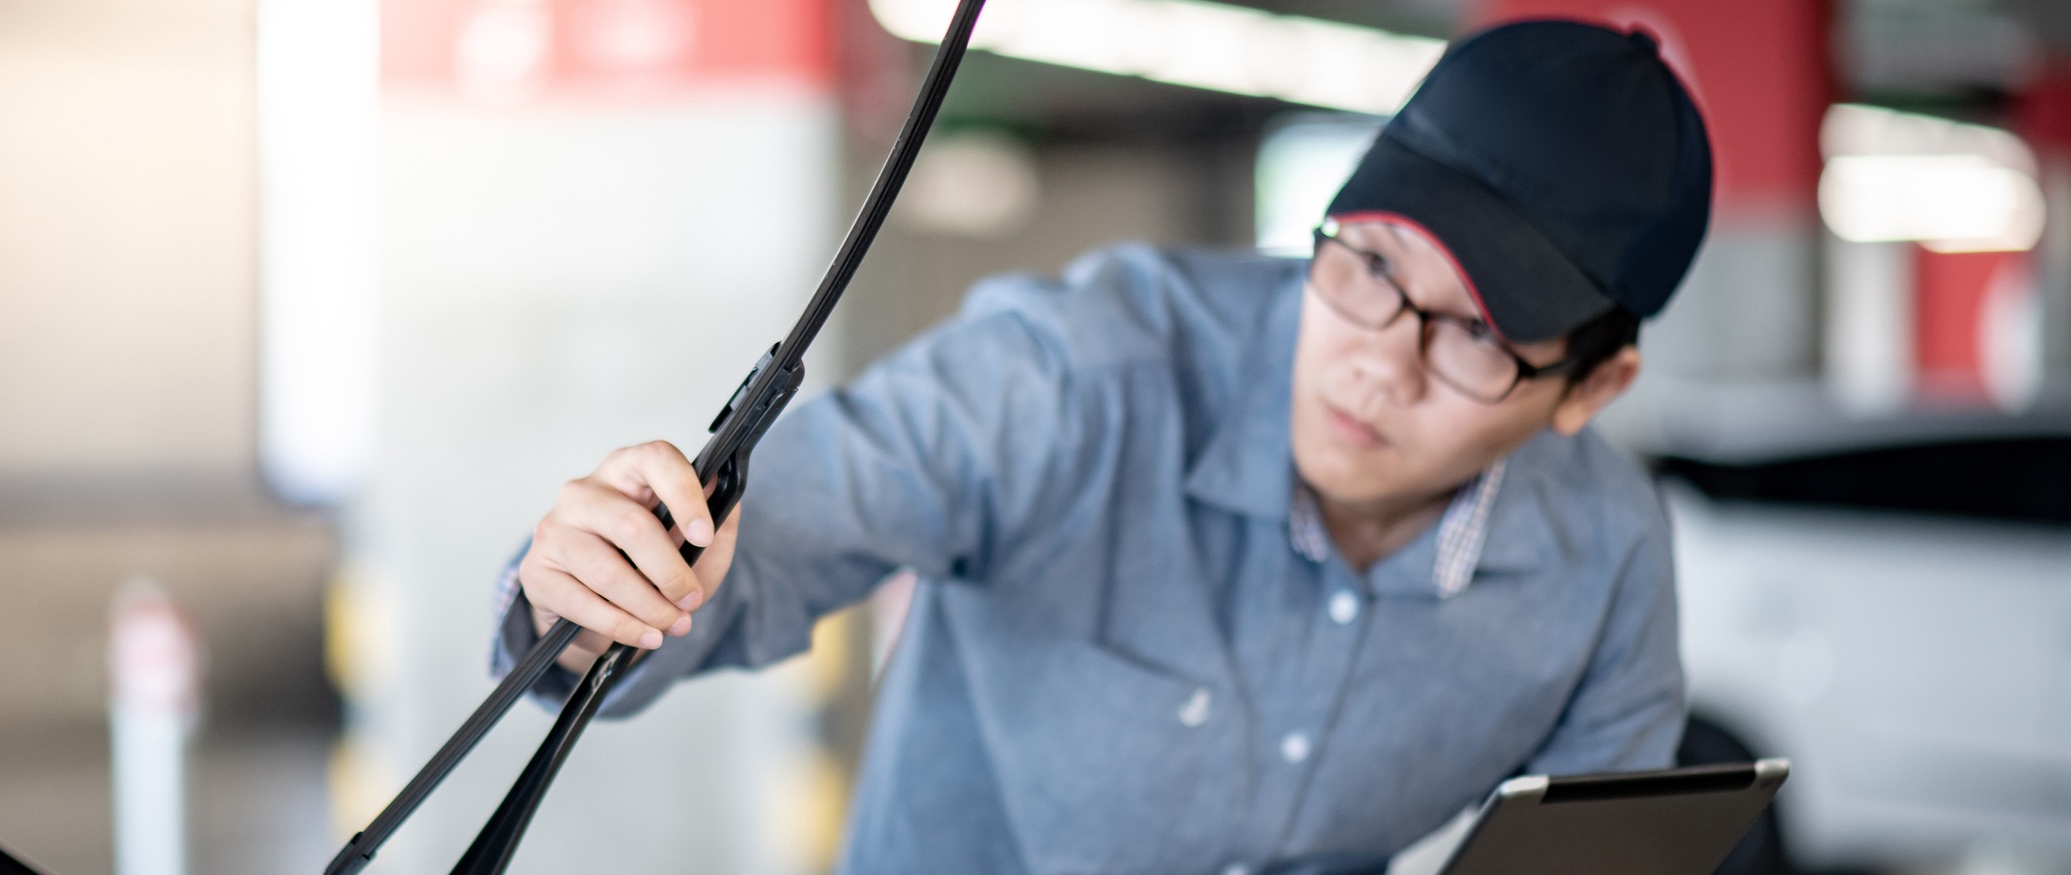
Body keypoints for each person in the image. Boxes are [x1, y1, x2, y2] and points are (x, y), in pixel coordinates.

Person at [494, 19, 1712, 875]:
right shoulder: (1073, 375)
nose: (1374, 361)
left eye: (1472, 337)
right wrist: (595, 591)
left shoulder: (1603, 558)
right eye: (1368, 266)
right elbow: (767, 541)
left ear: (1590, 386)